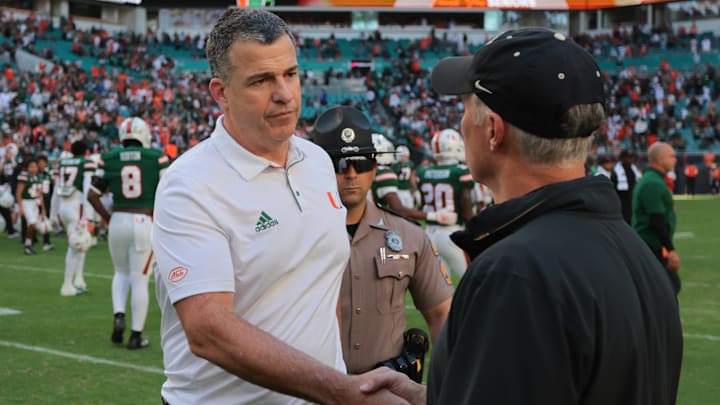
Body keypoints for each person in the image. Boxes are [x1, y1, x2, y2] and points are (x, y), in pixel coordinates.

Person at [363, 28, 683, 405]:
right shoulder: (637, 254)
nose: (461, 124)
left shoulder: (515, 274)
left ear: (494, 131)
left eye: (465, 107)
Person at [150, 8, 410, 405]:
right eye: (261, 80)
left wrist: (338, 378)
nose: (285, 94)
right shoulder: (189, 185)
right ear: (220, 93)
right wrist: (340, 390)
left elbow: (320, 288)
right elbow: (208, 329)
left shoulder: (319, 163)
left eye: (290, 74)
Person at [311, 105, 453, 377]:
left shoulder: (410, 237)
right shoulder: (293, 237)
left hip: (387, 394)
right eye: (338, 163)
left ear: (374, 169)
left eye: (361, 162)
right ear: (317, 169)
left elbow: (442, 316)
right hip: (314, 391)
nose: (351, 173)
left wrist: (448, 387)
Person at [87, 117, 170, 350]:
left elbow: (93, 195)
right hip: (144, 220)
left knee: (120, 273)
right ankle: (135, 335)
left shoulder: (109, 157)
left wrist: (107, 218)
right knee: (140, 279)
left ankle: (119, 315)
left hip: (118, 220)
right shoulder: (157, 158)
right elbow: (170, 192)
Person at [417, 128, 474, 277]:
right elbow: (465, 202)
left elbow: (424, 202)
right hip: (452, 232)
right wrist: (472, 228)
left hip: (429, 234)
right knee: (473, 279)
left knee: (441, 290)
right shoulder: (460, 171)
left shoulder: (424, 172)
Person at [632, 142, 682, 295]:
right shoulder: (653, 183)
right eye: (672, 156)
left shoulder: (653, 179)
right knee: (667, 288)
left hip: (652, 246)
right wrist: (670, 249)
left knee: (669, 287)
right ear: (660, 159)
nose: (675, 159)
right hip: (652, 246)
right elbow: (657, 221)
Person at [55, 140, 97, 296]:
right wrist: (88, 214)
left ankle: (78, 280)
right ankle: (67, 285)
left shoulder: (63, 162)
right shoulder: (86, 163)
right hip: (77, 206)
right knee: (76, 245)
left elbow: (56, 188)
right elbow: (87, 188)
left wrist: (54, 213)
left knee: (80, 244)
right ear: (86, 151)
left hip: (64, 205)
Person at [15, 158, 45, 255]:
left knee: (33, 226)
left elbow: (40, 194)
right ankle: (27, 246)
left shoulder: (39, 177)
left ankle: (29, 245)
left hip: (35, 203)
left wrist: (43, 208)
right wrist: (20, 207)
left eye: (35, 167)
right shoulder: (24, 177)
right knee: (32, 224)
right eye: (31, 167)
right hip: (26, 202)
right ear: (27, 168)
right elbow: (18, 193)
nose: (34, 169)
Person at [612, 148, 642, 224]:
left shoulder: (634, 169)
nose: (630, 159)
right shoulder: (615, 172)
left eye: (632, 157)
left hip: (633, 201)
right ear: (622, 158)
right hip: (622, 202)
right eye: (628, 157)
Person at [37, 155, 54, 251]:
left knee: (46, 219)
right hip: (36, 200)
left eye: (43, 163)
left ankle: (46, 241)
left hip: (47, 200)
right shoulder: (35, 175)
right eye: (40, 163)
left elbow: (51, 188)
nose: (41, 165)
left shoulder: (48, 175)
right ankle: (29, 239)